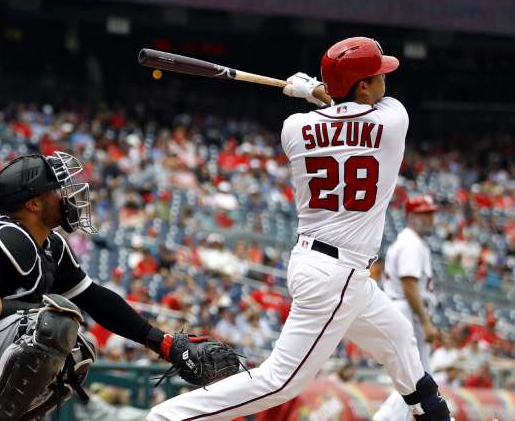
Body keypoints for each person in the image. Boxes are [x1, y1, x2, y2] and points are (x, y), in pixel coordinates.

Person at [147, 37, 451, 421]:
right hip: (337, 273)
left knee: (399, 339)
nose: (383, 82)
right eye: (377, 76)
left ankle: (435, 415)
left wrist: (316, 94)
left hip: (325, 265)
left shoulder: (294, 128)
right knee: (280, 382)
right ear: (362, 86)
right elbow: (360, 110)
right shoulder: (394, 120)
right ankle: (167, 418)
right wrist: (319, 92)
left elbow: (341, 114)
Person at [0, 151, 236, 421]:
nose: (67, 194)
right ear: (33, 203)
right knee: (53, 322)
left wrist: (160, 342)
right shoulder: (3, 235)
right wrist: (32, 311)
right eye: (56, 188)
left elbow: (95, 299)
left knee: (81, 345)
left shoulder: (51, 245)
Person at [383, 195, 440, 371]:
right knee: (418, 377)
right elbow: (408, 285)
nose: (430, 219)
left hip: (407, 310)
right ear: (411, 217)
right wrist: (426, 322)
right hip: (407, 311)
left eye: (431, 214)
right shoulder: (411, 244)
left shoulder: (412, 242)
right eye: (424, 214)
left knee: (415, 377)